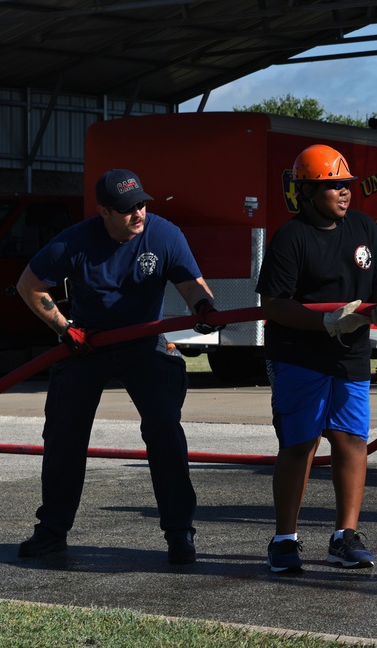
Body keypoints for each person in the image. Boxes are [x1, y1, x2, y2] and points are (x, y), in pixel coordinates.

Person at [15, 168, 224, 564]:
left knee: (164, 427)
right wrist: (65, 329)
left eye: (142, 204)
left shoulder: (164, 234)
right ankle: (52, 532)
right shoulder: (74, 242)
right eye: (128, 209)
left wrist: (203, 307)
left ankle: (180, 533)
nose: (138, 214)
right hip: (87, 345)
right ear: (104, 212)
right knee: (63, 435)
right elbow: (30, 285)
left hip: (143, 342)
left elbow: (193, 283)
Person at [256, 144, 377, 574]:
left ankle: (344, 537)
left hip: (351, 356)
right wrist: (327, 322)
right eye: (333, 186)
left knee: (352, 440)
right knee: (299, 444)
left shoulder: (364, 230)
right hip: (300, 355)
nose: (344, 192)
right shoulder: (290, 237)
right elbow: (274, 304)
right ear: (307, 191)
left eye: (346, 185)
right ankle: (284, 540)